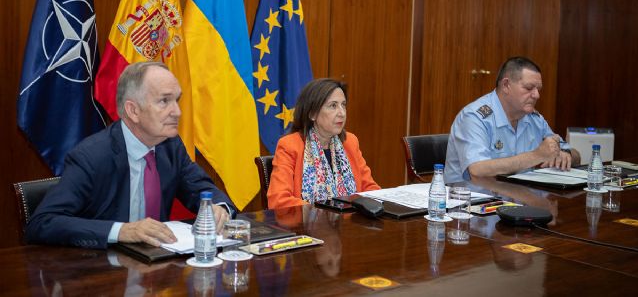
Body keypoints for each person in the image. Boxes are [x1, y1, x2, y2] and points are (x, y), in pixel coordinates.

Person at [26, 62, 235, 249]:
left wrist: (218, 208)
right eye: (164, 101)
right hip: (102, 274)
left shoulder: (170, 146)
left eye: (176, 100)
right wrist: (122, 231)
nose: (177, 112)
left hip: (156, 271)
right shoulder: (91, 156)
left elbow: (203, 189)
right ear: (133, 111)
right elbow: (43, 223)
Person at [444, 57, 580, 183]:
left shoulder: (534, 119)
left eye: (538, 89)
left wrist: (564, 154)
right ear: (506, 85)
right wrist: (537, 155)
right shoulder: (474, 117)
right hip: (474, 203)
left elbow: (575, 155)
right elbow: (477, 169)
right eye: (529, 88)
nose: (537, 95)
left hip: (519, 201)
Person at [267, 78, 380, 209]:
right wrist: (327, 212)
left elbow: (371, 189)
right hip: (305, 227)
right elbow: (279, 201)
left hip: (350, 225)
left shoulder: (350, 142)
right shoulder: (290, 146)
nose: (342, 113)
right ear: (312, 113)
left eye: (343, 105)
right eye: (333, 106)